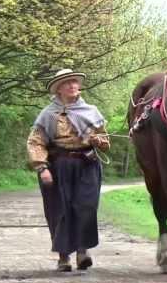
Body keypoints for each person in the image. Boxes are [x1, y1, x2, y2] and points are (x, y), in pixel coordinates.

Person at [27, 69, 110, 272]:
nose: (73, 85)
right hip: (58, 166)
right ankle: (63, 256)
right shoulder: (48, 114)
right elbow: (36, 142)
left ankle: (82, 251)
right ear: (59, 89)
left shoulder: (91, 111)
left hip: (87, 164)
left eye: (74, 82)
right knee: (59, 210)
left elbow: (106, 142)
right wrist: (42, 167)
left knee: (86, 207)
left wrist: (98, 141)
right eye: (67, 83)